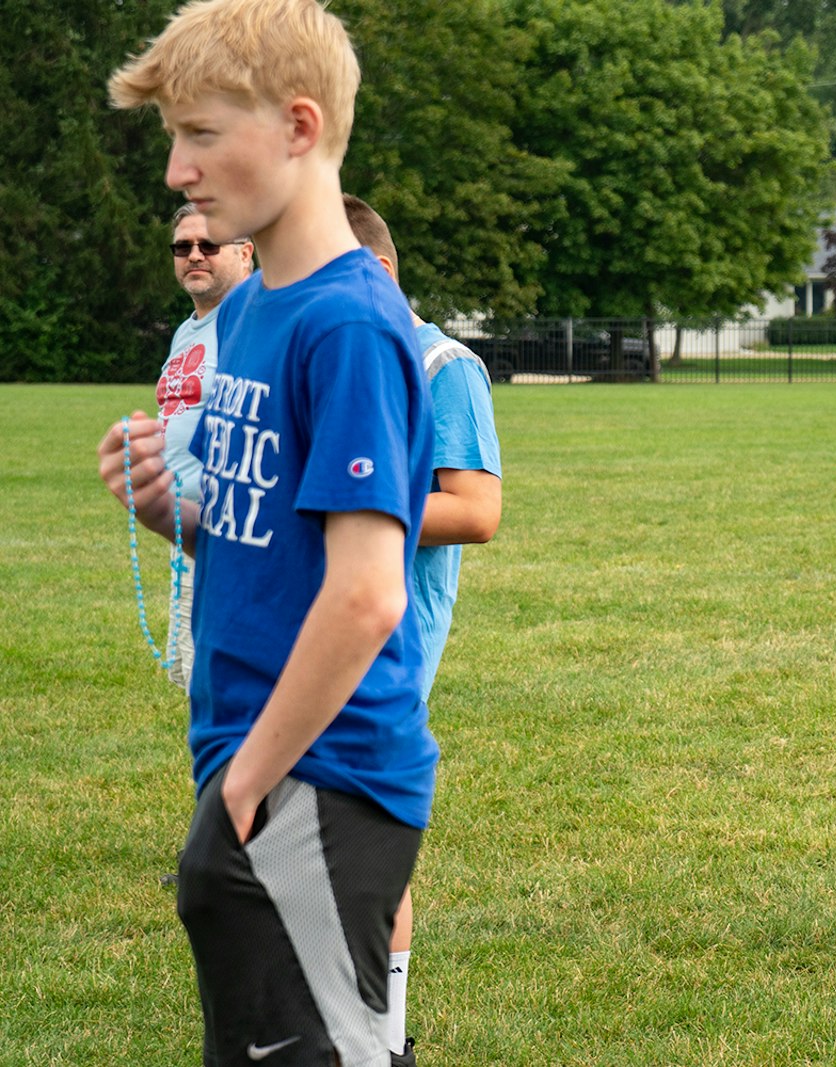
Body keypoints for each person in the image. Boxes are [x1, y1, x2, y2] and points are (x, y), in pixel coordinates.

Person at [99, 2, 435, 1065]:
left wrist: (250, 784)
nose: (176, 172)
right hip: (253, 761)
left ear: (297, 126)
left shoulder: (346, 320)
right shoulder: (246, 312)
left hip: (319, 776)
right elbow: (267, 544)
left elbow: (368, 590)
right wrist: (173, 516)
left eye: (199, 134)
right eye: (172, 141)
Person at [344, 192, 503, 1061]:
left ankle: (385, 1041)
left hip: (389, 639)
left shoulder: (445, 367)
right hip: (310, 623)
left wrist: (346, 488)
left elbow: (477, 511)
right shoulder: (341, 358)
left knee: (363, 844)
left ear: (375, 269)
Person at [156, 203, 254, 690]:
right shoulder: (188, 328)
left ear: (245, 253)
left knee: (217, 687)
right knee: (188, 676)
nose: (194, 255)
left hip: (229, 534)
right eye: (183, 247)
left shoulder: (251, 319)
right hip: (184, 530)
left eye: (209, 245)